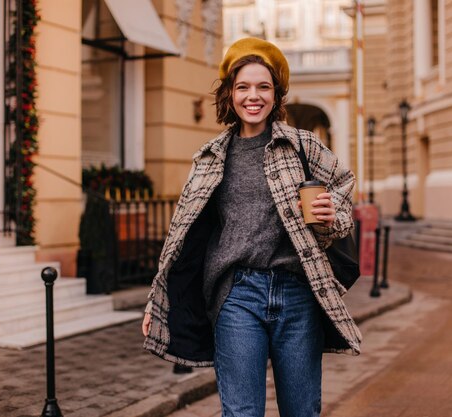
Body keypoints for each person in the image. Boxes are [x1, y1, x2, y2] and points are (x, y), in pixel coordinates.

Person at [142, 37, 362, 417]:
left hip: (297, 295)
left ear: (277, 95)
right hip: (237, 296)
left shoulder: (301, 146)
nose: (253, 96)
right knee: (242, 412)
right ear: (230, 93)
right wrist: (156, 299)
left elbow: (343, 185)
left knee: (302, 411)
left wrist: (332, 216)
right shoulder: (210, 157)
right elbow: (181, 232)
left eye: (264, 87)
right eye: (243, 87)